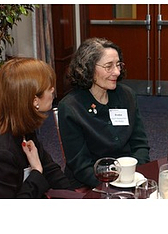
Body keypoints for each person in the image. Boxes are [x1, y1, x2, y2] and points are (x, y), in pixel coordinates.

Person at [58, 37, 150, 189]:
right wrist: (113, 185)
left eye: (118, 65)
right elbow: (80, 165)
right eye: (109, 66)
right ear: (89, 68)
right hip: (90, 183)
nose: (117, 71)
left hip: (130, 178)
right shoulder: (71, 107)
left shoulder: (127, 96)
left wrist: (133, 174)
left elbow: (140, 144)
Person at [0, 58, 71, 198]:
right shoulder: (0, 152)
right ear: (34, 100)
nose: (53, 90)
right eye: (49, 88)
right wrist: (36, 171)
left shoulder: (22, 126)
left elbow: (50, 169)